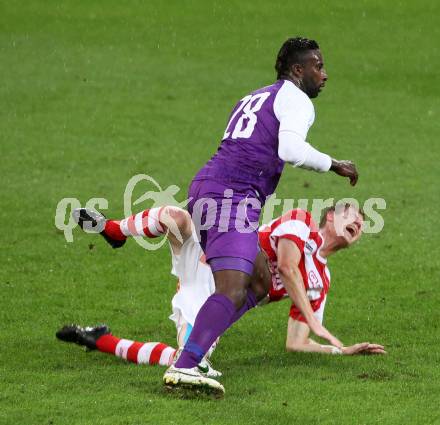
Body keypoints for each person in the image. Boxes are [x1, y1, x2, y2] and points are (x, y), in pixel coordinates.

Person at [165, 36, 359, 393]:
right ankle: (187, 363)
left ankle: (196, 352)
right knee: (233, 288)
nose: (325, 74)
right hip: (231, 196)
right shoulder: (297, 99)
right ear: (297, 70)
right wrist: (336, 165)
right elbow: (290, 149)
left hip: (212, 187)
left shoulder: (255, 96)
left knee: (259, 282)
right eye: (318, 66)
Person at [58, 204, 384, 394]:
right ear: (330, 217)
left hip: (214, 301)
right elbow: (286, 267)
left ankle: (101, 340)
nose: (358, 222)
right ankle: (115, 231)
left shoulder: (321, 283)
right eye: (351, 215)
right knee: (177, 217)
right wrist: (314, 320)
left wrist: (340, 350)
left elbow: (296, 343)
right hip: (210, 258)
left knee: (184, 359)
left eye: (362, 223)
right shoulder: (301, 223)